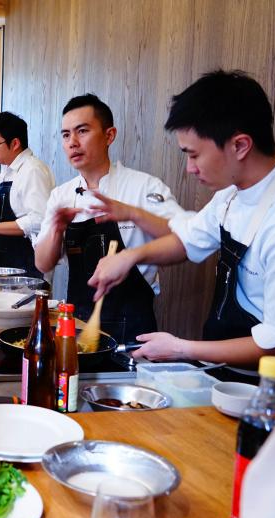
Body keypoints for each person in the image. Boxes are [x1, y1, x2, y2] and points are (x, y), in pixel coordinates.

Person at [88, 70, 275, 366]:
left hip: (272, 389)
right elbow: (187, 241)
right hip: (228, 371)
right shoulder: (232, 194)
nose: (189, 168)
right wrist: (130, 256)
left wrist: (182, 349)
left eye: (194, 155)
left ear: (240, 145)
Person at [33, 94, 185, 344]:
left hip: (133, 326)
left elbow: (184, 238)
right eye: (65, 135)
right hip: (77, 324)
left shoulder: (144, 186)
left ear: (109, 135)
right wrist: (57, 229)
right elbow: (43, 264)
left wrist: (133, 213)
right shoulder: (61, 195)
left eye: (82, 131)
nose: (72, 142)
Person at [0, 111, 54, 278]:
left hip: (28, 267)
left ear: (15, 143)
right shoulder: (5, 174)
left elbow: (40, 220)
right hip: (4, 264)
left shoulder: (32, 170)